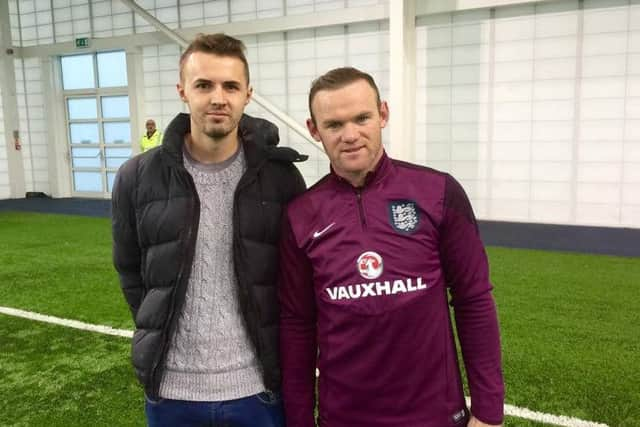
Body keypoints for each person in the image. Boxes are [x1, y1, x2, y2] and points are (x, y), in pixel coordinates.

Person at [278, 67, 504, 427]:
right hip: (344, 419)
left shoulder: (438, 193)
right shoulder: (301, 215)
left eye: (362, 118)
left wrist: (489, 411)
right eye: (334, 125)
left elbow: (473, 299)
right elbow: (297, 326)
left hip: (436, 416)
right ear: (313, 129)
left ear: (382, 114)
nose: (350, 135)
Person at [112, 33, 306, 427]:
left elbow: (296, 279)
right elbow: (131, 272)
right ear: (183, 91)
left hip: (257, 390)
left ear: (248, 94)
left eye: (230, 85)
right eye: (204, 85)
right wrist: (162, 329)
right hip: (172, 395)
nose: (218, 97)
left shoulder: (281, 178)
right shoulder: (136, 177)